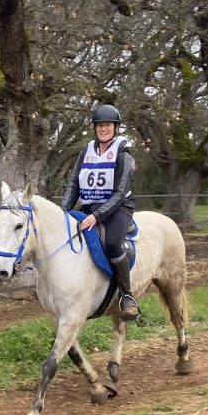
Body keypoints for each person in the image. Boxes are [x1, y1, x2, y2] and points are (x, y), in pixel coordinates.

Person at [61, 104, 140, 321]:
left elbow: (119, 193)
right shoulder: (86, 152)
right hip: (89, 206)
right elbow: (73, 184)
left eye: (108, 125)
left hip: (118, 208)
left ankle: (127, 296)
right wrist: (63, 211)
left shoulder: (123, 155)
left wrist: (96, 217)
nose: (103, 129)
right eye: (100, 125)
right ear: (95, 128)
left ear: (115, 127)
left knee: (113, 243)